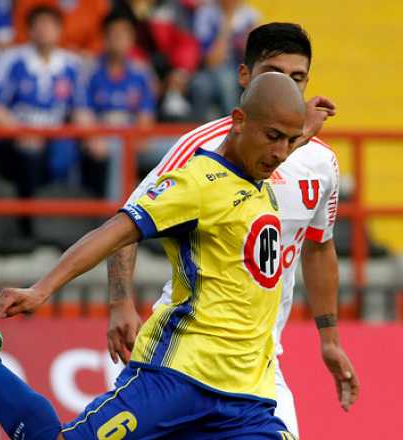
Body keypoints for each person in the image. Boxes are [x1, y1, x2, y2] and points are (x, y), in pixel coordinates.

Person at [0, 72, 326, 439]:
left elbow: (282, 136)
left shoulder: (264, 166)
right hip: (176, 379)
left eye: (290, 141)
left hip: (248, 397)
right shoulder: (197, 183)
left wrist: (301, 128)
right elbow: (115, 232)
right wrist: (43, 289)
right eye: (273, 138)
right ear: (238, 121)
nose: (280, 153)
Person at [104, 22, 352, 437]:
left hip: (260, 366)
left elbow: (318, 247)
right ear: (244, 77)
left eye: (298, 79)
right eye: (274, 75)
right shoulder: (201, 148)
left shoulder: (322, 165)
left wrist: (329, 338)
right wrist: (119, 302)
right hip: (184, 356)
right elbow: (127, 221)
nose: (288, 90)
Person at [0, 5, 91, 197]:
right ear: (29, 30)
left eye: (50, 25)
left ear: (60, 30)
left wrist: (93, 136)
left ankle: (66, 214)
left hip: (56, 135)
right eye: (39, 25)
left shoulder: (71, 64)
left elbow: (81, 109)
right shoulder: (12, 60)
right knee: (29, 152)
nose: (44, 30)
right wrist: (21, 132)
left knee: (76, 151)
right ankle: (28, 221)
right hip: (18, 135)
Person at [81, 12, 157, 199]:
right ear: (105, 38)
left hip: (134, 139)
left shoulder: (141, 72)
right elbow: (83, 113)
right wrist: (92, 137)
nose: (119, 40)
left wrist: (139, 139)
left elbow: (146, 117)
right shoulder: (90, 70)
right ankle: (116, 217)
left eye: (125, 35)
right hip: (102, 140)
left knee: (181, 148)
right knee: (119, 150)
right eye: (114, 35)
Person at [190, 0, 259, 121]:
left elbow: (254, 56)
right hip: (210, 70)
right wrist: (227, 23)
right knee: (222, 81)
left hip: (241, 68)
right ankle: (232, 125)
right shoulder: (207, 14)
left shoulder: (249, 15)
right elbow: (212, 60)